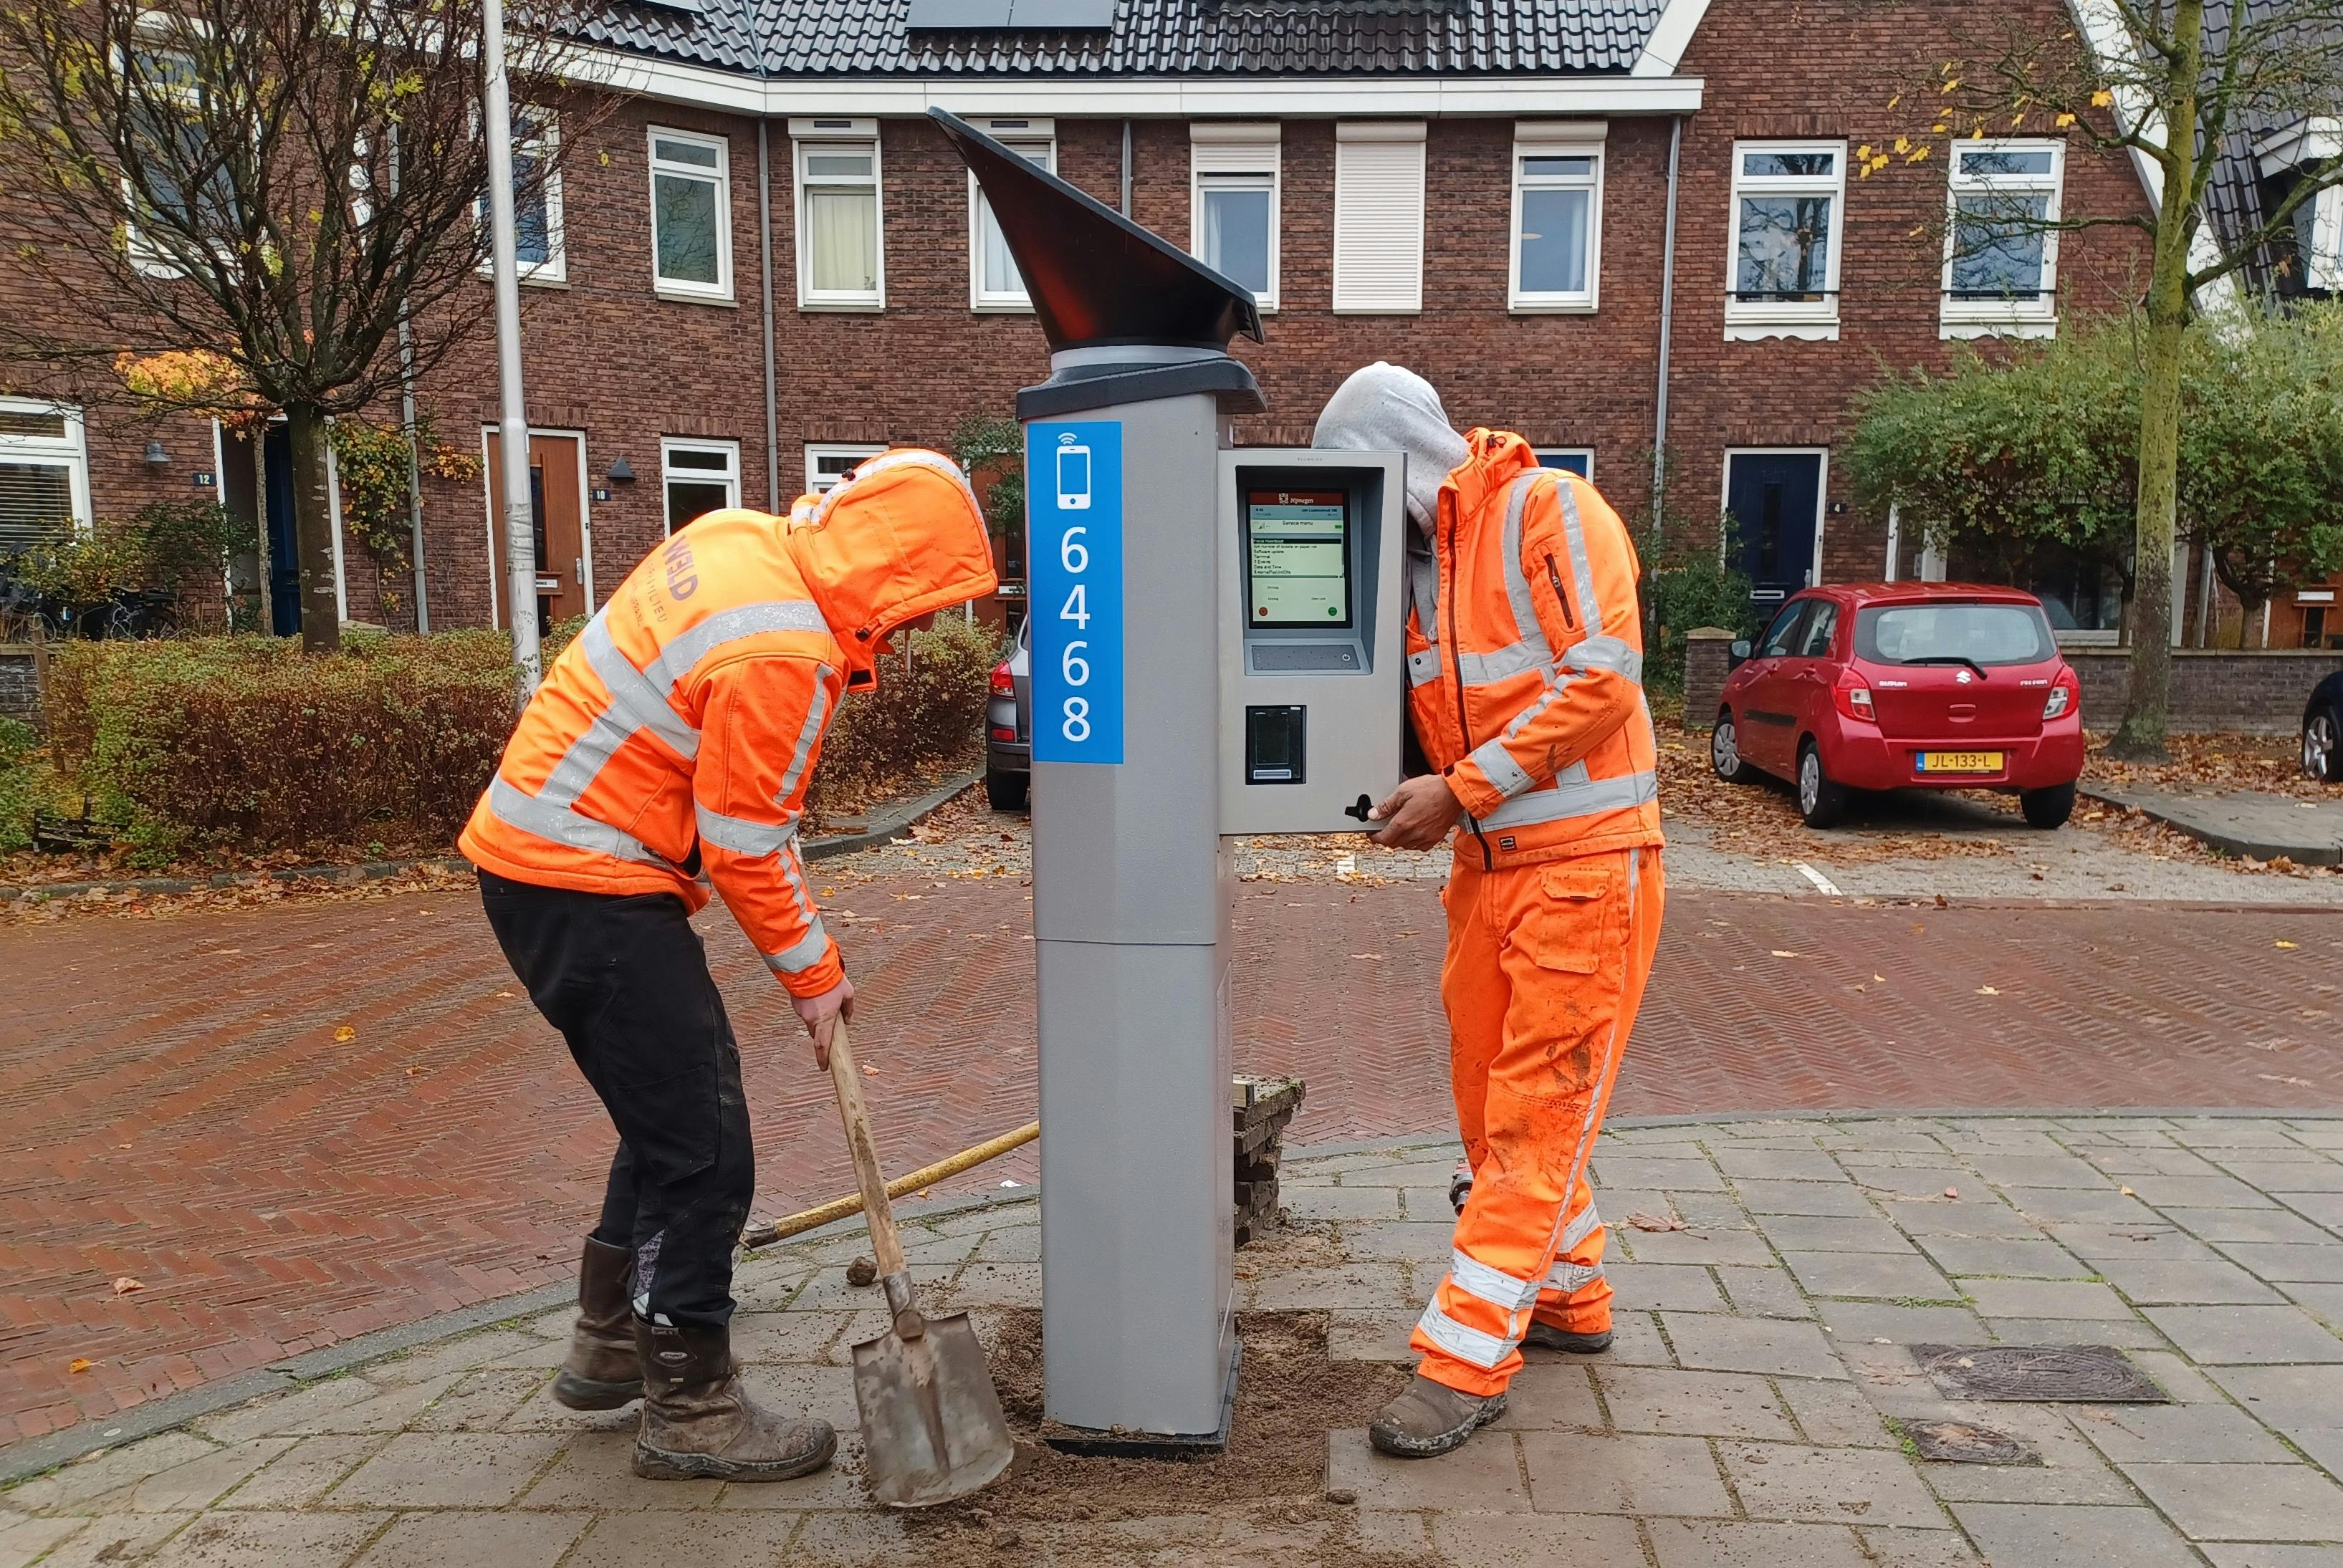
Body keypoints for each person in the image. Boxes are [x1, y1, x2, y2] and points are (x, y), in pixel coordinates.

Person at [459, 449, 997, 1481]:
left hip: (543, 865)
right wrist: (814, 973)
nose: (927, 626)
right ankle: (691, 1404)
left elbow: (740, 815)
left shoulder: (741, 541)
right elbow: (743, 840)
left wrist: (809, 959)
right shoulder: (784, 649)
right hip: (589, 883)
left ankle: (610, 1342)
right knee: (706, 1150)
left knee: (666, 1124)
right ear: (893, 568)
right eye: (930, 600)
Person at [1315, 364, 1665, 1458]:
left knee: (1533, 1115)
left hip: (1586, 868)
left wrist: (1460, 789)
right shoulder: (1418, 572)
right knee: (1485, 1097)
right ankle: (1569, 1293)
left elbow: (1603, 675)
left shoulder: (1546, 508)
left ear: (1397, 453)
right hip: (1490, 868)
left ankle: (1464, 1360)